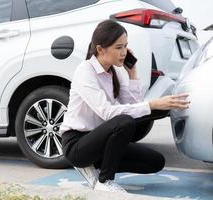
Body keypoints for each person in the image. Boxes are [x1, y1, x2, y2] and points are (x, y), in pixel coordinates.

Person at [59, 20, 190, 193]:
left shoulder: (115, 73)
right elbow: (108, 113)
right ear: (100, 49)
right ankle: (104, 182)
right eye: (119, 47)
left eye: (125, 47)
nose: (123, 53)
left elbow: (132, 107)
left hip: (101, 143)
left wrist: (132, 73)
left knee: (156, 162)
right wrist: (153, 104)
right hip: (77, 145)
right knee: (124, 122)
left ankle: (97, 167)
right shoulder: (85, 71)